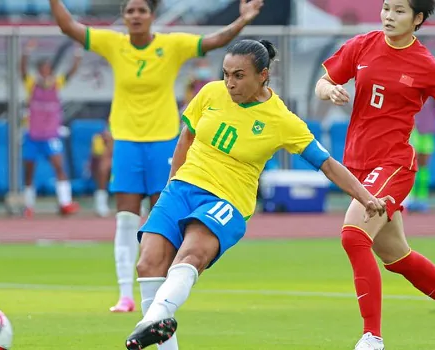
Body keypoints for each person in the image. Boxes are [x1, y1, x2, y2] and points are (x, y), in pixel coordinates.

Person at [123, 39, 391, 350]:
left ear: (263, 75)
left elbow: (328, 164)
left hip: (226, 200)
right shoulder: (210, 93)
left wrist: (366, 197)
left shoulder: (282, 120)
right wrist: (171, 187)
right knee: (148, 264)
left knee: (191, 256)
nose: (230, 83)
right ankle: (156, 323)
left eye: (239, 76)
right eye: (226, 74)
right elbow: (186, 137)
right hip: (182, 188)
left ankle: (154, 318)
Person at [49, 0, 266, 316]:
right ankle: (126, 295)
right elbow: (68, 27)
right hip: (126, 142)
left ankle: (163, 296)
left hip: (164, 141)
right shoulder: (113, 43)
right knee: (125, 218)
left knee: (162, 220)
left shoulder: (172, 44)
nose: (136, 16)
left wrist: (242, 20)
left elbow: (215, 41)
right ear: (123, 17)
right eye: (130, 11)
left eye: (142, 10)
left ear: (152, 16)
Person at [316, 0, 435, 349]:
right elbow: (323, 81)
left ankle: (372, 337)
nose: (389, 16)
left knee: (352, 236)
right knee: (396, 257)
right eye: (386, 8)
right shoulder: (363, 44)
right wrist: (328, 89)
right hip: (358, 166)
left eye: (399, 11)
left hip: (394, 165)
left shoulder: (427, 65)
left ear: (418, 18)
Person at [20, 39, 82, 217]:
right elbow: (22, 71)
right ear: (39, 70)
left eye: (48, 68)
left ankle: (65, 202)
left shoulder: (57, 83)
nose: (46, 71)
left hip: (51, 134)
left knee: (59, 166)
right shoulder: (32, 84)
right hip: (33, 134)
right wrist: (26, 53)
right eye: (43, 68)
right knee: (30, 169)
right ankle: (29, 205)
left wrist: (77, 54)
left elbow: (71, 72)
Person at [406, 98, 435, 212]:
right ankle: (408, 198)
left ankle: (422, 198)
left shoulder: (433, 89)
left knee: (424, 165)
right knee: (411, 164)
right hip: (412, 129)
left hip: (428, 130)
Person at [91, 127, 113, 217]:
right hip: (98, 167)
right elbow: (99, 156)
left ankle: (138, 202)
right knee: (103, 167)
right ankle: (101, 203)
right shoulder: (99, 137)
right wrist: (109, 145)